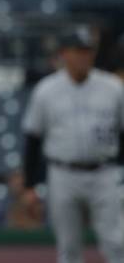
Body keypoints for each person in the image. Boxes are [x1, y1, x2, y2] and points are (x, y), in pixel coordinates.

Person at [22, 27, 124, 263]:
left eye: (87, 51)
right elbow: (33, 139)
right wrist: (29, 185)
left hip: (104, 173)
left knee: (116, 243)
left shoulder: (113, 88)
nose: (83, 56)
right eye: (77, 51)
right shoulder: (46, 90)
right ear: (63, 54)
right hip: (63, 173)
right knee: (69, 248)